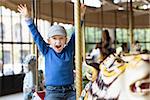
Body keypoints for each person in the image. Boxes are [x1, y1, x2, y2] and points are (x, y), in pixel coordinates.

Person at [17, 4, 86, 100]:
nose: (58, 42)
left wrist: (81, 17)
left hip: (70, 91)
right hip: (53, 92)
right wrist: (28, 18)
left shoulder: (69, 50)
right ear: (49, 41)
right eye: (54, 38)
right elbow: (37, 36)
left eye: (61, 38)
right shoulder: (47, 51)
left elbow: (76, 34)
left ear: (65, 40)